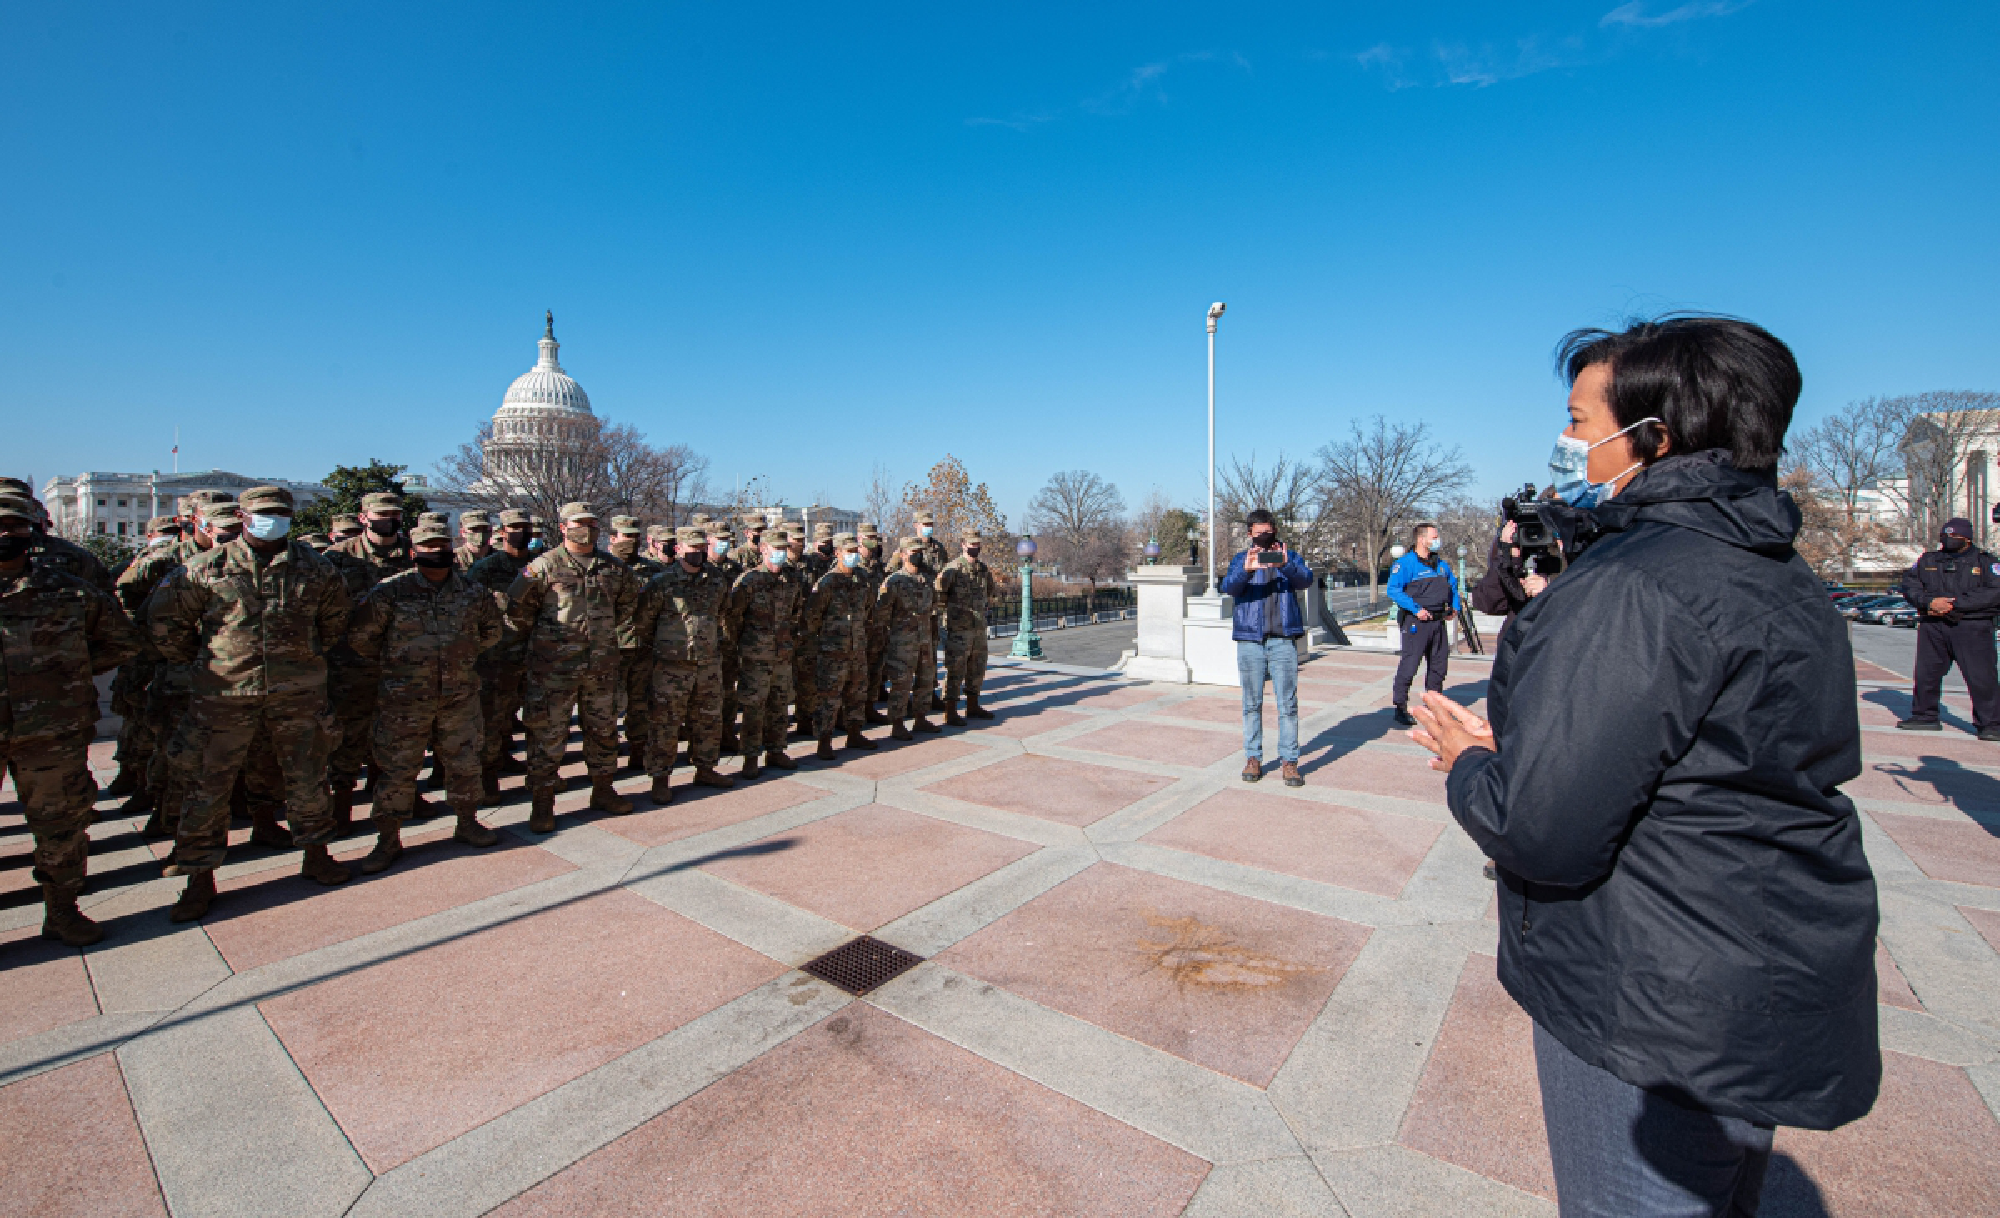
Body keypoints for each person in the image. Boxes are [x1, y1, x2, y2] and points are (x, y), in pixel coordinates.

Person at [1408, 316, 1879, 1216]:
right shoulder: (1775, 569)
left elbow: (1538, 828)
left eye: (1583, 422)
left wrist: (1474, 761)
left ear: (1653, 436)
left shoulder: (1635, 585)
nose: (1573, 444)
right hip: (1754, 968)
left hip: (1655, 988)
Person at [150, 486, 354, 920]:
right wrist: (212, 663)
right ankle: (198, 877)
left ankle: (316, 854)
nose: (272, 520)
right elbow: (168, 627)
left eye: (280, 513)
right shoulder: (205, 568)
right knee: (207, 787)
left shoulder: (317, 570)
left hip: (297, 694)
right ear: (243, 516)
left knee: (309, 779)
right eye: (263, 513)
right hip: (223, 697)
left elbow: (334, 624)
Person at [0, 494, 142, 945]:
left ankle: (61, 910)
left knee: (61, 825)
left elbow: (121, 641)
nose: (6, 535)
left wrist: (70, 672)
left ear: (33, 532)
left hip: (51, 730)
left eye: (16, 527)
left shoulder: (68, 588)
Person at [343, 522, 505, 871]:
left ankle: (467, 822)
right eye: (427, 548)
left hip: (459, 695)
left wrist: (459, 657)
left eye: (441, 546)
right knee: (397, 770)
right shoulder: (391, 592)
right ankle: (388, 839)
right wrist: (399, 664)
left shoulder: (472, 592)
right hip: (405, 699)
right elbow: (362, 637)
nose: (436, 553)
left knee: (464, 763)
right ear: (413, 552)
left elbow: (492, 632)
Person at [506, 501, 639, 831]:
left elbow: (626, 607)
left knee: (604, 732)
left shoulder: (613, 568)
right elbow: (518, 611)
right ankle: (542, 804)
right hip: (554, 671)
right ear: (563, 527)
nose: (588, 529)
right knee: (547, 737)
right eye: (580, 523)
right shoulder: (543, 566)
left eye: (593, 524)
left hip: (601, 668)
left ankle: (603, 790)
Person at [632, 526, 735, 802]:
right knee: (665, 723)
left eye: (702, 548)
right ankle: (660, 778)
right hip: (671, 667)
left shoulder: (716, 580)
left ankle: (705, 768)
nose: (699, 553)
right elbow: (643, 624)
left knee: (709, 720)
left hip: (708, 664)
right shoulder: (662, 583)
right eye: (693, 549)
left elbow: (724, 614)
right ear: (678, 549)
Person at [1218, 510, 1313, 786]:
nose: (1263, 538)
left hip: (1283, 639)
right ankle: (1253, 757)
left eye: (1268, 532)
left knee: (1288, 704)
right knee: (1251, 704)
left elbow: (1306, 580)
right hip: (1250, 640)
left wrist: (1285, 564)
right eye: (1258, 533)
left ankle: (1289, 761)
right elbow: (1229, 588)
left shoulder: (1289, 556)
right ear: (1249, 534)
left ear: (1275, 531)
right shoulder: (1241, 559)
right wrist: (1247, 570)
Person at [1895, 517, 2000, 738]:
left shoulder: (1985, 562)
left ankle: (1990, 724)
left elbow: (1994, 592)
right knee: (1927, 674)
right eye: (1945, 536)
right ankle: (1924, 716)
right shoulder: (1928, 560)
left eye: (1954, 536)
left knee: (1982, 677)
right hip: (1933, 625)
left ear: (1967, 538)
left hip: (1972, 626)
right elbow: (1909, 584)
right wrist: (1929, 602)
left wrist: (1953, 604)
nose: (1948, 539)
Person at [468, 509, 537, 799]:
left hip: (538, 654)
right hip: (498, 658)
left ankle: (541, 776)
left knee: (540, 720)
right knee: (494, 720)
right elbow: (469, 609)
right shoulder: (486, 569)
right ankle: (488, 777)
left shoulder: (542, 564)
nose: (520, 533)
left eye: (525, 527)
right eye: (514, 527)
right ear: (501, 531)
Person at [724, 526, 804, 776]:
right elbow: (732, 619)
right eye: (775, 549)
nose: (780, 553)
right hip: (755, 657)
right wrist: (743, 646)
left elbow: (796, 614)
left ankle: (776, 750)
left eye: (784, 549)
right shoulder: (748, 582)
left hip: (781, 655)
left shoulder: (791, 581)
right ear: (763, 549)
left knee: (779, 705)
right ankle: (750, 757)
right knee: (754, 708)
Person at [804, 533, 877, 758]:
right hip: (833, 651)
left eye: (856, 552)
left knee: (857, 693)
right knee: (829, 697)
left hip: (857, 648)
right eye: (849, 552)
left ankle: (854, 733)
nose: (854, 556)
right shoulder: (827, 582)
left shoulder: (863, 578)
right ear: (838, 553)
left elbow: (869, 608)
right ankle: (824, 740)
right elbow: (812, 617)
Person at [1386, 522, 1460, 728]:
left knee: (1438, 667)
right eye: (1434, 537)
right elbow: (1393, 590)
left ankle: (1434, 706)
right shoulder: (1406, 564)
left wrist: (1454, 607)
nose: (1437, 540)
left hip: (1437, 623)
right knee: (1409, 666)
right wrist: (1415, 608)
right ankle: (1400, 707)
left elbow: (1453, 585)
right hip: (1416, 623)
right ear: (1421, 539)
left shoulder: (1440, 565)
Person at [876, 537, 941, 737]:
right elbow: (882, 613)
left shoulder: (927, 581)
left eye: (920, 551)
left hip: (924, 640)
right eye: (913, 551)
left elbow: (934, 608)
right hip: (902, 642)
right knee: (901, 683)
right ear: (903, 554)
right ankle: (897, 723)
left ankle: (920, 718)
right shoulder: (894, 581)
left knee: (926, 680)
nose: (917, 555)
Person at [936, 530, 999, 723]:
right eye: (971, 544)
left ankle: (973, 705)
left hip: (978, 628)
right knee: (955, 669)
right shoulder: (953, 569)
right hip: (958, 629)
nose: (975, 548)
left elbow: (992, 593)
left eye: (977, 544)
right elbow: (939, 596)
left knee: (977, 668)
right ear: (963, 544)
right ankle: (950, 710)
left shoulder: (982, 569)